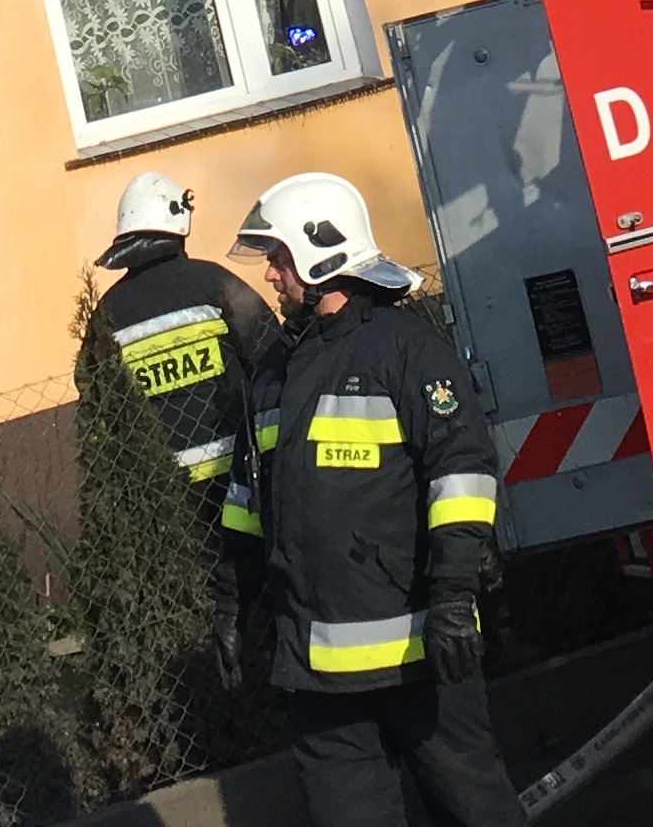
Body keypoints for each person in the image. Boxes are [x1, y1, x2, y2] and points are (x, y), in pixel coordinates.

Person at [218, 171, 521, 827]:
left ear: (319, 252)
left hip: (424, 661)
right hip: (318, 685)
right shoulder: (271, 378)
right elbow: (247, 505)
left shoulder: (406, 353)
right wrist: (235, 607)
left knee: (478, 814)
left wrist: (452, 600)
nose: (270, 277)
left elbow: (463, 475)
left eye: (277, 259)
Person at [82, 170, 281, 499]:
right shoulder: (214, 284)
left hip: (158, 495)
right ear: (180, 221)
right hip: (240, 477)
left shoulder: (105, 313)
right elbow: (271, 356)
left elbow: (97, 403)